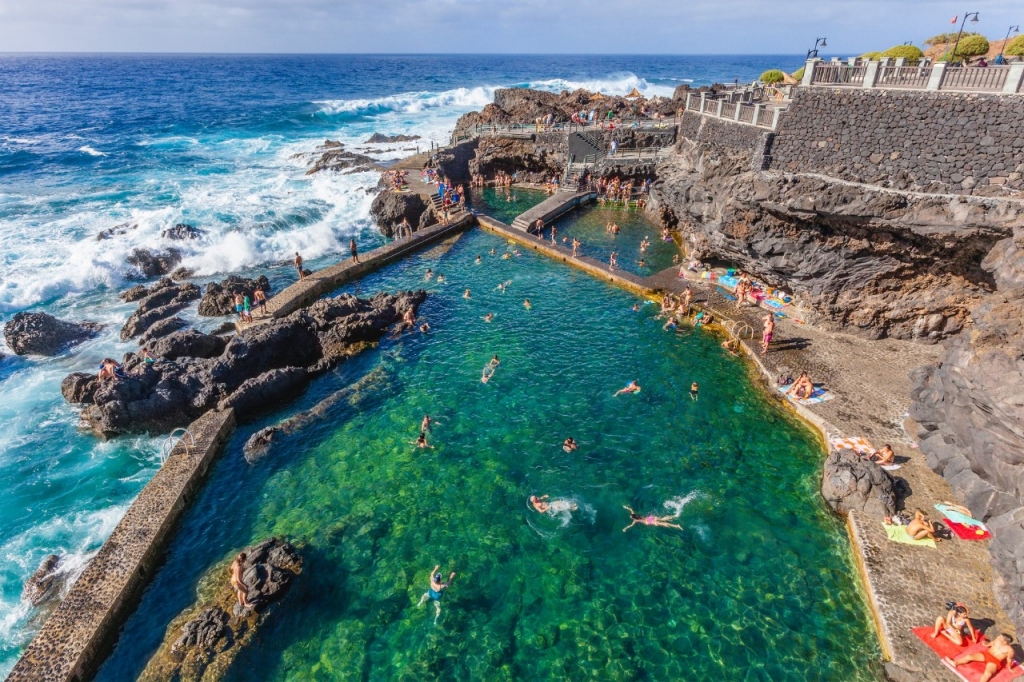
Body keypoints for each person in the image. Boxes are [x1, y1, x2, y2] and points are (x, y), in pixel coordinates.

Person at [944, 633, 1015, 682]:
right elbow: (989, 644)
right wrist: (985, 644)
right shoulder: (996, 641)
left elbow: (1009, 659)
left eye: (1000, 637)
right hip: (986, 654)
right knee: (969, 656)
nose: (998, 637)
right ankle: (955, 663)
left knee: (988, 673)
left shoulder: (1010, 650)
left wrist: (1010, 668)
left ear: (1005, 642)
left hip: (995, 661)